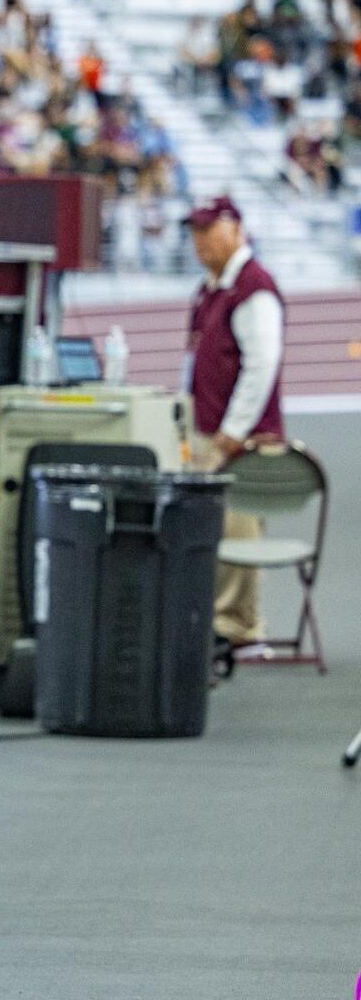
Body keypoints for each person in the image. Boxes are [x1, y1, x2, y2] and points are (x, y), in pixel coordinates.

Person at [182, 196, 286, 674]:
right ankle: (229, 623)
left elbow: (262, 363)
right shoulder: (211, 289)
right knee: (221, 531)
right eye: (195, 231)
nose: (199, 240)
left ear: (236, 229)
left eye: (209, 230)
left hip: (241, 440)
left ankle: (241, 630)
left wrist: (232, 432)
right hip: (212, 429)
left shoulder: (252, 287)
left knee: (238, 533)